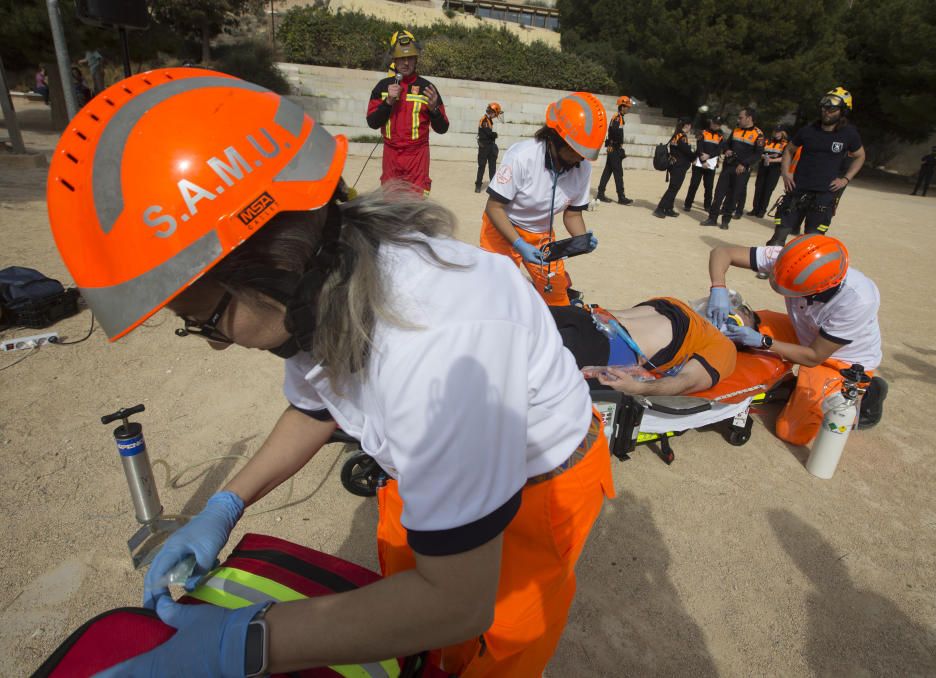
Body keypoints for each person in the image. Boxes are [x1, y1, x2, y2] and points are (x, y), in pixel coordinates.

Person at [48, 68, 613, 677]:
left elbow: (457, 601)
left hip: (537, 487)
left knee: (491, 651)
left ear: (275, 263)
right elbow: (316, 407)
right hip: (434, 473)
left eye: (207, 318)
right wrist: (224, 504)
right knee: (414, 644)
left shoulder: (443, 347)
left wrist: (243, 644)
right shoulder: (328, 277)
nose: (214, 345)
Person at [705, 235, 888, 446]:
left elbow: (814, 356)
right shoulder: (792, 259)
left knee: (791, 432)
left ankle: (870, 391)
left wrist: (763, 341)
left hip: (838, 359)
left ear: (818, 289)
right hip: (802, 331)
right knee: (735, 324)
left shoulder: (857, 301)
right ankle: (788, 383)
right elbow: (721, 252)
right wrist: (718, 287)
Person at [479, 92, 604, 306]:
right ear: (557, 138)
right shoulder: (523, 156)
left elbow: (573, 214)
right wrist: (518, 244)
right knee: (495, 296)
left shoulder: (581, 166)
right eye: (576, 151)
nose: (580, 158)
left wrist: (581, 240)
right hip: (501, 229)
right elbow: (494, 207)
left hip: (541, 237)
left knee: (557, 300)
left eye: (585, 153)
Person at [549, 297, 737, 396]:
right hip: (584, 316)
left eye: (736, 317)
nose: (727, 312)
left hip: (606, 343)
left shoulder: (724, 345)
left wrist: (638, 389)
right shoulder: (678, 304)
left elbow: (687, 381)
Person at [765, 87, 865, 246]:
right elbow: (789, 150)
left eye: (832, 109)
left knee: (811, 243)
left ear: (843, 111)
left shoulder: (849, 134)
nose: (826, 112)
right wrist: (786, 173)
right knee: (777, 239)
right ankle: (768, 270)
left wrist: (846, 179)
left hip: (824, 195)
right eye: (824, 108)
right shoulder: (808, 130)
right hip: (797, 190)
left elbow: (860, 156)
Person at [366, 30, 449, 193]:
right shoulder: (383, 87)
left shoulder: (428, 89)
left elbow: (443, 128)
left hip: (417, 157)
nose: (405, 63)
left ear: (416, 59)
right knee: (390, 205)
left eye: (409, 57)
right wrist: (388, 101)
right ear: (394, 60)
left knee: (415, 208)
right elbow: (372, 122)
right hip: (391, 156)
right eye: (401, 58)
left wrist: (434, 110)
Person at [700, 107, 764, 230]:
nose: (738, 119)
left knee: (733, 196)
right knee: (719, 193)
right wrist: (727, 150)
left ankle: (725, 221)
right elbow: (726, 144)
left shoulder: (758, 134)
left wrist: (744, 164)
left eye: (741, 117)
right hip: (728, 166)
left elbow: (757, 154)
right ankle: (712, 218)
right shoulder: (736, 130)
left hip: (742, 170)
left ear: (749, 118)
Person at [653, 118, 696, 218]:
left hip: (674, 165)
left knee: (674, 187)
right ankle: (660, 208)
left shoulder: (676, 135)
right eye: (690, 125)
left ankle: (668, 208)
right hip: (679, 166)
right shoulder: (682, 137)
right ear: (687, 125)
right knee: (673, 188)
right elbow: (687, 151)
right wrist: (696, 155)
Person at [596, 96, 635, 205]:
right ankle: (621, 197)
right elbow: (614, 131)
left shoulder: (618, 117)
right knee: (618, 173)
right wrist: (618, 144)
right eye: (627, 107)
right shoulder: (618, 118)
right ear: (622, 107)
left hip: (612, 148)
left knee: (608, 171)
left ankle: (600, 193)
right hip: (614, 149)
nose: (628, 109)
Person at [683, 114, 724, 213]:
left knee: (709, 186)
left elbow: (719, 150)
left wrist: (708, 156)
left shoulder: (720, 136)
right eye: (714, 123)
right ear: (711, 122)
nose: (715, 125)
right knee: (694, 184)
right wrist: (703, 160)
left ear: (720, 125)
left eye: (717, 124)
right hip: (699, 163)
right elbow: (699, 147)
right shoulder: (703, 132)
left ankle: (707, 206)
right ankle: (688, 204)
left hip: (711, 164)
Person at [748, 124, 789, 217]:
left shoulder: (785, 144)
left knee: (768, 190)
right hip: (763, 167)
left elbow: (785, 158)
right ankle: (755, 209)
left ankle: (762, 211)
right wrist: (766, 156)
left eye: (778, 132)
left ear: (783, 133)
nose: (776, 134)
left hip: (774, 169)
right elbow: (759, 152)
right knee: (759, 188)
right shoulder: (767, 141)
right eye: (775, 131)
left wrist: (771, 160)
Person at [474, 101, 502, 193]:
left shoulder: (489, 120)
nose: (495, 116)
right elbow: (488, 133)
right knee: (482, 166)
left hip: (490, 146)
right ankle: (478, 185)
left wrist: (493, 135)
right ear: (493, 112)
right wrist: (494, 134)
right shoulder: (484, 120)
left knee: (492, 166)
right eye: (496, 113)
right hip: (484, 147)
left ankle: (493, 186)